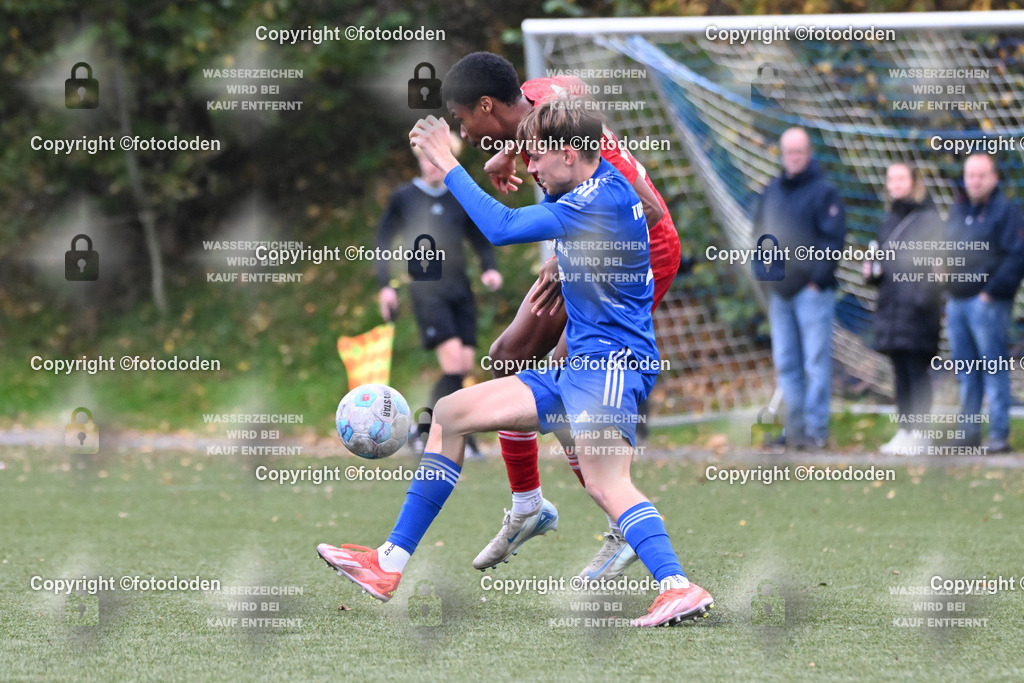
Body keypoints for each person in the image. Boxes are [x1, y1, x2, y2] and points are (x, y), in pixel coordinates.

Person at [316, 101, 714, 627]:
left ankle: (678, 586)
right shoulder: (597, 182)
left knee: (607, 484)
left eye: (537, 157)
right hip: (578, 368)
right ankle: (387, 564)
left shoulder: (595, 198)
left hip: (612, 367)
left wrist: (447, 161)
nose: (531, 167)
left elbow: (501, 227)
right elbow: (619, 206)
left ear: (569, 154)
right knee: (451, 414)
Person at [439, 51, 682, 578]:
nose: (462, 130)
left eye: (461, 118)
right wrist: (512, 150)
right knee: (508, 356)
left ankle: (620, 519)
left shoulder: (574, 146)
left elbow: (648, 209)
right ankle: (529, 503)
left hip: (642, 253)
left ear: (486, 106)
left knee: (573, 372)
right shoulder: (538, 101)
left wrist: (572, 253)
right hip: (582, 248)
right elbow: (570, 85)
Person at [376, 136, 503, 460]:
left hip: (460, 289)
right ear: (419, 160)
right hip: (427, 288)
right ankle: (440, 434)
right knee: (453, 364)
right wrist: (386, 286)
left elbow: (479, 236)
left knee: (464, 367)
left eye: (437, 159)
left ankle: (433, 431)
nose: (431, 166)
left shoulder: (458, 195)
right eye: (426, 159)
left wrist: (489, 268)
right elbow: (384, 240)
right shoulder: (404, 197)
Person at [753, 127, 846, 450]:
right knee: (787, 364)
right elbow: (758, 234)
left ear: (809, 153)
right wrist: (765, 277)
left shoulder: (824, 193)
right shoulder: (772, 191)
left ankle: (815, 430)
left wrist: (816, 279)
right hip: (780, 293)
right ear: (782, 154)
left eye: (799, 151)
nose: (793, 157)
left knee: (815, 364)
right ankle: (794, 431)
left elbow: (833, 240)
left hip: (811, 293)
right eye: (788, 151)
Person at [943, 154, 1024, 454]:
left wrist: (991, 292)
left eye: (981, 175)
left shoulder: (1006, 213)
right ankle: (968, 433)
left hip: (988, 304)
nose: (975, 181)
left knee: (993, 368)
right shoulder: (958, 211)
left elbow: (1017, 255)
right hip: (956, 301)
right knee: (966, 371)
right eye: (970, 175)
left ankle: (999, 434)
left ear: (994, 178)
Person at [862, 163, 944, 455]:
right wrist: (872, 272)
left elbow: (937, 271)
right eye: (891, 179)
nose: (895, 183)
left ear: (914, 182)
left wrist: (922, 299)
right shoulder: (888, 221)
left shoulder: (930, 221)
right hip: (891, 309)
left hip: (918, 312)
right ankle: (905, 430)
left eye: (901, 178)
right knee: (899, 371)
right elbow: (883, 268)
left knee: (916, 371)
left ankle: (921, 434)